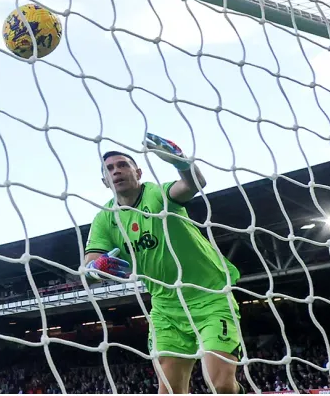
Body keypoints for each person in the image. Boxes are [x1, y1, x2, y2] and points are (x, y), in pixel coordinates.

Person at [84, 133, 243, 394]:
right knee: (169, 391)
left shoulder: (158, 195)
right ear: (104, 181)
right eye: (109, 169)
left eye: (123, 165)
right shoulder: (104, 219)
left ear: (138, 172)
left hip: (211, 297)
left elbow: (193, 184)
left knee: (221, 386)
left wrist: (180, 162)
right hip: (165, 308)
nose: (116, 171)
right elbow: (88, 268)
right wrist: (97, 268)